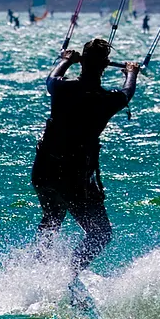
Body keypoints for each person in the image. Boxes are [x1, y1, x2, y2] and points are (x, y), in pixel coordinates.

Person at [32, 39, 139, 279]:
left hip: (44, 169)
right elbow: (127, 92)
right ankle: (68, 277)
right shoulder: (106, 100)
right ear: (104, 67)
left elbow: (51, 78)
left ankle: (36, 273)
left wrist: (66, 60)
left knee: (52, 219)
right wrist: (131, 72)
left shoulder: (61, 88)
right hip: (73, 176)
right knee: (100, 234)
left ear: (82, 63)